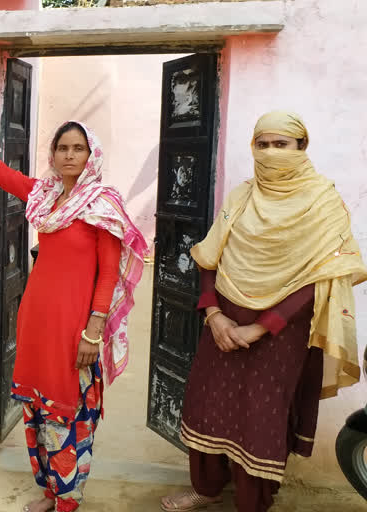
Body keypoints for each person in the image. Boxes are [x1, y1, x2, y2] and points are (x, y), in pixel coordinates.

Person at [160, 111, 367, 512]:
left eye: (281, 144)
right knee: (207, 401)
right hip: (224, 316)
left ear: (301, 147)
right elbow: (209, 257)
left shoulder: (323, 202)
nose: (271, 153)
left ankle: (254, 504)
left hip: (282, 330)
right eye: (262, 144)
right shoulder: (241, 196)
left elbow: (322, 277)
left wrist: (261, 328)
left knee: (262, 414)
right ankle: (206, 487)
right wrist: (214, 315)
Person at [0, 98, 147, 512]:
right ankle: (49, 491)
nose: (69, 155)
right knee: (37, 408)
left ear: (91, 154)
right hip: (36, 321)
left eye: (78, 148)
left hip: (75, 327)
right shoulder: (45, 195)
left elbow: (108, 275)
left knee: (67, 410)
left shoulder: (102, 206)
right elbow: (4, 176)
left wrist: (93, 331)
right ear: (53, 155)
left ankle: (68, 500)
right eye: (62, 148)